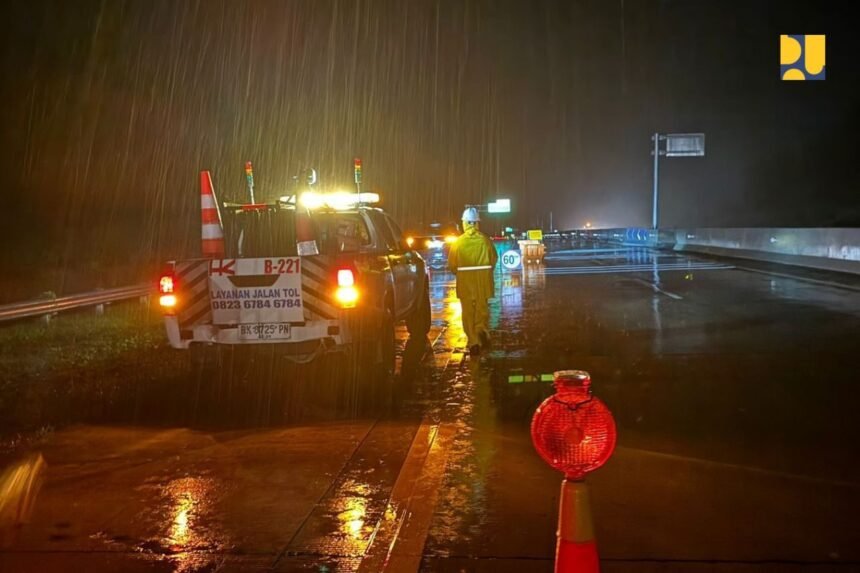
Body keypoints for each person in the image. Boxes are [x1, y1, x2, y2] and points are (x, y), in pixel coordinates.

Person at [447, 207, 498, 356]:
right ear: (477, 223)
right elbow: (494, 259)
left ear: (464, 223)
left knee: (468, 312)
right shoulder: (485, 240)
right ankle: (480, 330)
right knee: (481, 310)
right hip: (483, 282)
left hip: (466, 283)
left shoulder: (458, 243)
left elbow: (452, 265)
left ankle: (473, 341)